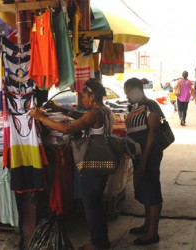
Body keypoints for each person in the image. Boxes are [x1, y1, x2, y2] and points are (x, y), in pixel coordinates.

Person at [30, 79, 113, 249]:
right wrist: (61, 110)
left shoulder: (94, 113)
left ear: (93, 96)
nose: (82, 99)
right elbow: (81, 118)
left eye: (84, 96)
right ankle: (102, 241)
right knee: (96, 204)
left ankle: (96, 243)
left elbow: (68, 129)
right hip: (101, 165)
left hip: (92, 165)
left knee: (90, 206)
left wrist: (41, 118)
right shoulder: (103, 110)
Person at [123, 77, 164, 246]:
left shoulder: (151, 106)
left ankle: (152, 233)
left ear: (136, 90)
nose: (127, 97)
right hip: (140, 156)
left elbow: (153, 134)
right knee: (146, 190)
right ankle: (147, 225)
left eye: (128, 93)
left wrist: (144, 160)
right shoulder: (137, 107)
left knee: (152, 192)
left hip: (150, 156)